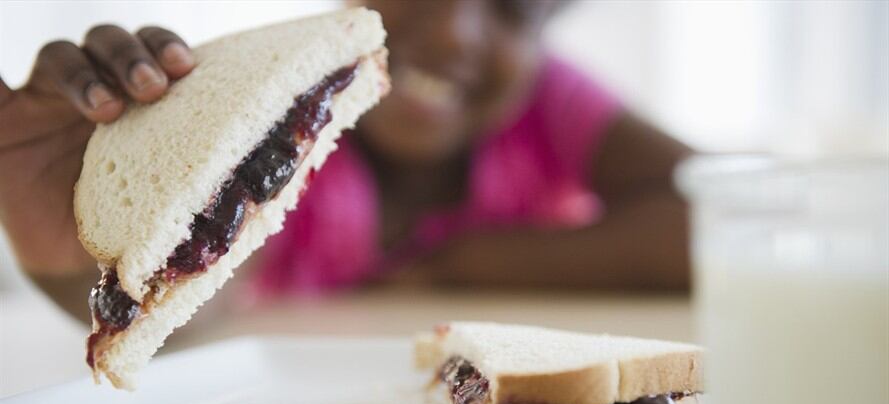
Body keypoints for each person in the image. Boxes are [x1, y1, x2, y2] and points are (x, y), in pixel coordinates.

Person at [0, 0, 690, 324]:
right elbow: (187, 314)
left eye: (512, 8)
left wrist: (458, 264)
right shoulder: (279, 116)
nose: (453, 30)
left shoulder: (547, 102)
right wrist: (78, 258)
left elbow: (709, 219)